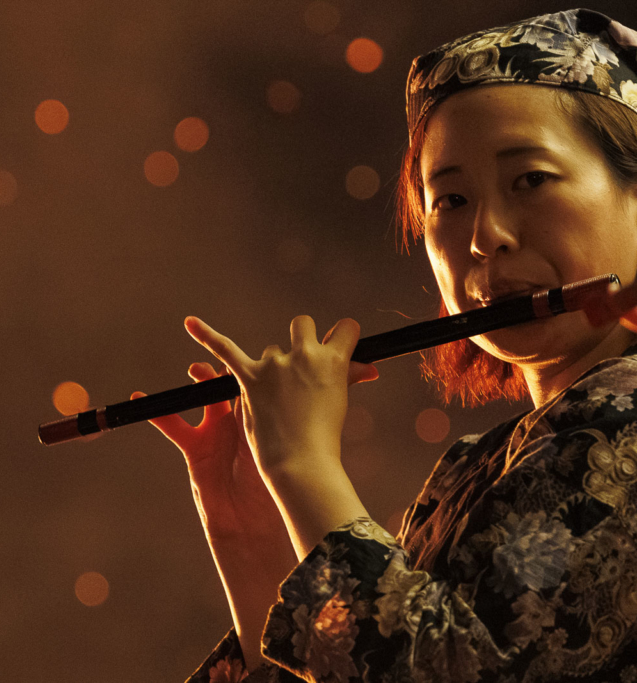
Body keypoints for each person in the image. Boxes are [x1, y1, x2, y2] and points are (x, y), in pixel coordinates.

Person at [133, 9, 637, 682]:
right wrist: (254, 543)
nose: (486, 238)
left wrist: (307, 467)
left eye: (531, 180)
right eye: (449, 201)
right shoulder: (477, 465)